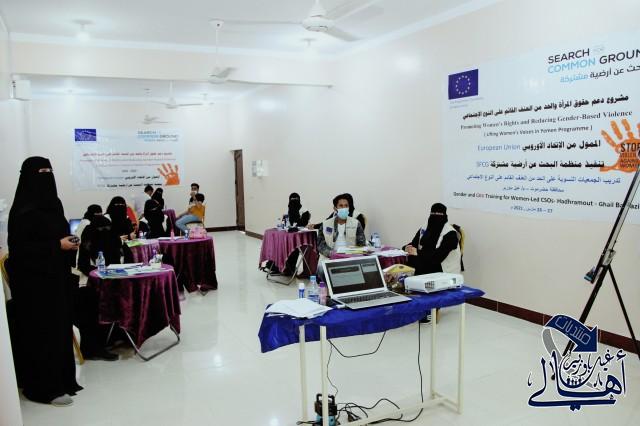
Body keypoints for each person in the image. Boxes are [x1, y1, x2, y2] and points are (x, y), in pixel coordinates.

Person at [7, 156, 83, 406]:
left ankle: (63, 381)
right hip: (33, 285)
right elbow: (20, 250)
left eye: (50, 170)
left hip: (56, 279)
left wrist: (69, 243)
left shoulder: (54, 204)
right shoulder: (22, 210)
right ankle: (44, 389)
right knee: (42, 334)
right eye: (41, 171)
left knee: (59, 328)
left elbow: (60, 233)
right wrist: (56, 245)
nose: (47, 175)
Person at [75, 215, 130, 361]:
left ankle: (119, 335)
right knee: (90, 302)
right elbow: (83, 266)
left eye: (107, 229)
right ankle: (93, 348)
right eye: (101, 229)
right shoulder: (86, 245)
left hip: (116, 283)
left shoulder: (116, 242)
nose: (105, 232)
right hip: (89, 286)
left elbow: (127, 261)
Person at [403, 203, 461, 275]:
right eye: (433, 213)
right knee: (408, 260)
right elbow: (415, 243)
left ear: (445, 216)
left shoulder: (450, 234)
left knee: (416, 264)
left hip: (443, 268)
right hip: (426, 260)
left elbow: (438, 257)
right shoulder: (426, 227)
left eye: (439, 214)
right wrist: (407, 248)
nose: (435, 216)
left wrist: (417, 252)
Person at [317, 194, 366, 259]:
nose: (344, 208)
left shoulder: (356, 223)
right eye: (341, 206)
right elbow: (320, 245)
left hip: (350, 258)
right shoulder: (326, 224)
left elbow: (361, 244)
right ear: (335, 208)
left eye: (346, 206)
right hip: (330, 258)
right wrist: (332, 254)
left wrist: (352, 254)